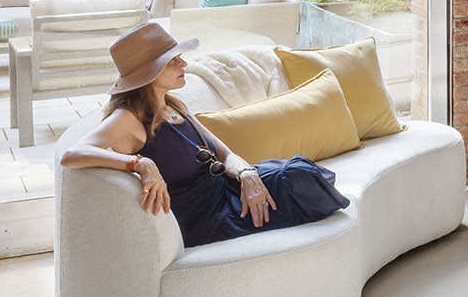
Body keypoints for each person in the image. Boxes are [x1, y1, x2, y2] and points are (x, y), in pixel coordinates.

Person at [63, 22, 348, 247]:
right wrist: (141, 164)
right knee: (300, 182)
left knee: (300, 172)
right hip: (207, 216)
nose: (183, 64)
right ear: (149, 72)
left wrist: (247, 175)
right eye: (173, 60)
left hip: (228, 188)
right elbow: (71, 155)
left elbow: (224, 153)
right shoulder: (127, 118)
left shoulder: (174, 106)